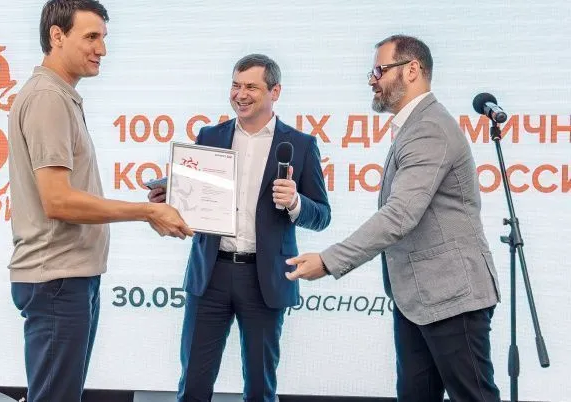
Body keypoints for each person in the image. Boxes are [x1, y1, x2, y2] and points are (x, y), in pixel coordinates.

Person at [286, 35, 502, 401]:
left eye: (380, 70)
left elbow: (400, 215)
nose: (372, 80)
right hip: (419, 300)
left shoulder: (429, 127)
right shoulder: (414, 126)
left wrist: (328, 260)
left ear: (412, 70)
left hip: (452, 297)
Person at [7, 0, 193, 402]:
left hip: (68, 277)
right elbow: (58, 201)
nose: (102, 49)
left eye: (103, 38)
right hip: (56, 278)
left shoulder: (60, 95)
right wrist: (146, 212)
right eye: (91, 37)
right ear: (57, 36)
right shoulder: (47, 98)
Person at [148, 54, 331, 402]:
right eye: (235, 85)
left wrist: (295, 202)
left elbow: (322, 215)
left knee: (260, 388)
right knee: (193, 384)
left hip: (265, 278)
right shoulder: (209, 136)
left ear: (275, 91)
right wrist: (170, 195)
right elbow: (197, 197)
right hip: (210, 274)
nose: (240, 94)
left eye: (251, 87)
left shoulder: (300, 145)